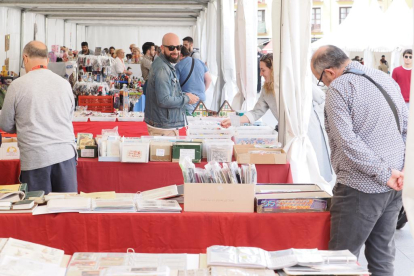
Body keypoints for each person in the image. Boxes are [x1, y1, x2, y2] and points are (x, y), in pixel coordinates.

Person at [311, 45, 408, 276]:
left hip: (359, 187)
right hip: (395, 185)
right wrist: (400, 170)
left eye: (320, 80)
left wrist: (385, 174)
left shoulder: (339, 88)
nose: (324, 85)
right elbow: (406, 128)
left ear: (329, 72)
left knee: (340, 260)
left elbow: (347, 143)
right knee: (382, 257)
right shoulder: (383, 78)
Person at [0, 41, 77, 194]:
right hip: (65, 154)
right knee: (67, 209)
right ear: (47, 60)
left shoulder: (17, 86)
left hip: (36, 157)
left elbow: (6, 124)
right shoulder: (64, 84)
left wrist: (24, 124)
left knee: (37, 210)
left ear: (25, 58)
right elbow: (69, 116)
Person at [144, 33, 199, 136]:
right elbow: (164, 100)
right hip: (163, 127)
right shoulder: (162, 68)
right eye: (171, 48)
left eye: (178, 47)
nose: (176, 51)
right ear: (162, 48)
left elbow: (168, 93)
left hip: (164, 124)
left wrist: (183, 95)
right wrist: (187, 98)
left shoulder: (164, 64)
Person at [221, 53, 278, 128]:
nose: (260, 74)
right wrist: (234, 121)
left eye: (263, 70)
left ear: (273, 70)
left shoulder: (288, 88)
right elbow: (256, 112)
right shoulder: (266, 89)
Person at [175, 46, 212, 114]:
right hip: (201, 101)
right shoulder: (201, 62)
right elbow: (209, 79)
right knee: (201, 123)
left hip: (188, 101)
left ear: (180, 55)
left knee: (189, 123)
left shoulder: (178, 66)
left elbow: (174, 86)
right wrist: (201, 92)